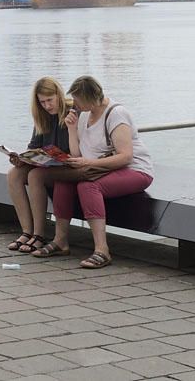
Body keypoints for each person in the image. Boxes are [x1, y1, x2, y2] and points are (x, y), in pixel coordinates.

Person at [32, 76, 154, 269]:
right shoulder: (83, 115)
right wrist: (72, 130)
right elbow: (77, 153)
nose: (74, 104)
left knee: (88, 186)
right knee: (64, 182)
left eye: (78, 100)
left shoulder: (116, 114)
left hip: (134, 170)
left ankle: (102, 249)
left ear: (90, 98)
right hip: (99, 168)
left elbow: (126, 157)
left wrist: (88, 163)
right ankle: (60, 240)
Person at [5, 77, 72, 253]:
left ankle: (39, 234)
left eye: (50, 100)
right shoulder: (42, 116)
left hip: (68, 165)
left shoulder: (72, 113)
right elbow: (34, 146)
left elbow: (78, 149)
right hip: (48, 163)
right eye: (43, 102)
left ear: (59, 94)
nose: (47, 106)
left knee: (35, 175)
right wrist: (22, 159)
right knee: (14, 173)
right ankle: (27, 231)